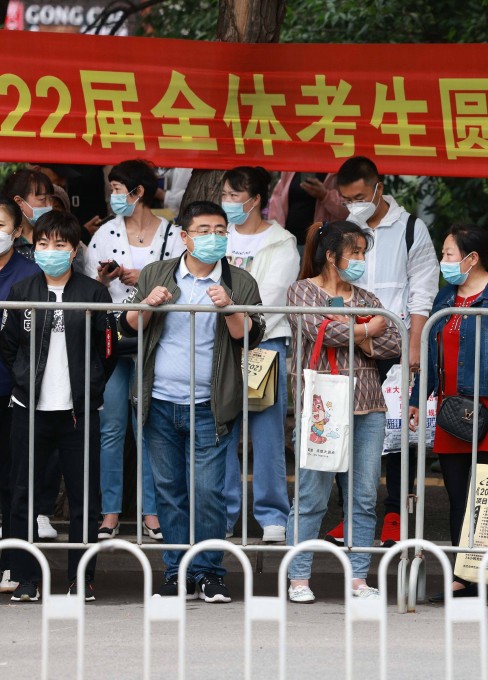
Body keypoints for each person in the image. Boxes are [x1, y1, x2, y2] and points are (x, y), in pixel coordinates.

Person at [121, 201, 265, 603]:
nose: (214, 237)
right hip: (159, 402)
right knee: (168, 490)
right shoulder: (157, 274)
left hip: (210, 404)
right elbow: (129, 325)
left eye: (221, 230)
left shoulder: (239, 281)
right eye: (204, 230)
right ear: (184, 237)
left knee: (208, 492)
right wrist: (147, 305)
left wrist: (229, 308)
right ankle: (176, 570)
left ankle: (209, 572)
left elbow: (248, 335)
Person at [1, 211, 116, 602]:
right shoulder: (21, 290)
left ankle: (80, 578)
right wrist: (22, 379)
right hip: (29, 408)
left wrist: (92, 387)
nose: (50, 251)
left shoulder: (93, 293)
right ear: (33, 248)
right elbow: (9, 345)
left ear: (74, 249)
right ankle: (26, 577)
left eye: (60, 244)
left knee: (86, 499)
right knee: (22, 496)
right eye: (43, 244)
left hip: (78, 412)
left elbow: (107, 349)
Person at [410, 224, 488, 607]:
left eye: (447, 253)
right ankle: (463, 576)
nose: (444, 261)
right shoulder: (447, 296)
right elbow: (430, 352)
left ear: (471, 258)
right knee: (459, 495)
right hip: (450, 411)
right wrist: (416, 397)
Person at [285, 221, 400, 602]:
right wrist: (368, 331)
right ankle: (298, 578)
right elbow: (323, 332)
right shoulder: (301, 292)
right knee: (311, 496)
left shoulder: (366, 297)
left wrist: (361, 335)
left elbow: (394, 341)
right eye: (356, 253)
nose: (362, 260)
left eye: (364, 253)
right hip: (319, 409)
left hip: (368, 408)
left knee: (364, 497)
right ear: (332, 256)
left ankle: (358, 579)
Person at [329, 156, 439, 546]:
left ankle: (395, 514)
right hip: (351, 343)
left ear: (379, 187)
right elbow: (330, 283)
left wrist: (415, 345)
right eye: (346, 199)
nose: (353, 205)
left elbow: (424, 288)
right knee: (348, 428)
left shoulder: (411, 228)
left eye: (359, 196)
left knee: (396, 432)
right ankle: (351, 516)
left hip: (396, 343)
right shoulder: (342, 230)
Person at [85, 159, 183, 541]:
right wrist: (103, 278)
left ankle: (152, 512)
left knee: (148, 428)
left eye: (118, 190)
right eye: (111, 190)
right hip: (113, 338)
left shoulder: (172, 234)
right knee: (111, 428)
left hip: (157, 339)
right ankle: (110, 514)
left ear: (138, 192)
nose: (114, 197)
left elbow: (181, 282)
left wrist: (145, 278)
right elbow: (92, 288)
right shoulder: (105, 233)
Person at [220, 167, 300, 543]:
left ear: (255, 201)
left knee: (266, 432)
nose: (228, 203)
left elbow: (270, 297)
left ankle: (272, 515)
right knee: (222, 429)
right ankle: (222, 512)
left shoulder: (281, 242)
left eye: (235, 196)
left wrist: (231, 313)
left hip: (263, 341)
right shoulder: (217, 234)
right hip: (219, 342)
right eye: (225, 195)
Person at [1, 170, 63, 539]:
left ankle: (15, 559)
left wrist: (19, 374)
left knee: (14, 472)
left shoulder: (30, 273)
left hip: (16, 387)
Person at [0, 197, 41, 594]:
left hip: (14, 394)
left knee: (15, 483)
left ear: (15, 231)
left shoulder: (30, 274)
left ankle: (16, 567)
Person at [268, 171, 345, 248]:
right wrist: (274, 231)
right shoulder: (291, 168)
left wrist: (325, 195)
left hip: (319, 245)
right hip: (287, 241)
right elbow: (277, 199)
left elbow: (346, 210)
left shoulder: (335, 169)